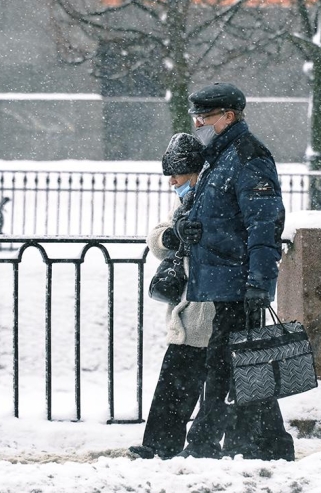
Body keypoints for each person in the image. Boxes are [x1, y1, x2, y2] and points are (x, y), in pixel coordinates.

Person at [174, 82, 294, 461]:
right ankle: (271, 445)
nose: (198, 124)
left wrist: (260, 281)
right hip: (223, 280)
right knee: (243, 366)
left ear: (229, 115)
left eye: (204, 117)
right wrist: (190, 226)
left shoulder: (248, 155)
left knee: (226, 367)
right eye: (196, 117)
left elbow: (264, 223)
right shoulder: (220, 155)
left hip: (239, 282)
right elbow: (219, 212)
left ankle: (204, 446)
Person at [129, 133, 215, 459]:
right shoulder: (185, 202)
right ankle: (160, 446)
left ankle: (169, 447)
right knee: (180, 382)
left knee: (218, 386)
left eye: (176, 176)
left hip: (210, 306)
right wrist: (172, 234)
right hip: (190, 310)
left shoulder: (213, 199)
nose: (171, 183)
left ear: (193, 172)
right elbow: (155, 238)